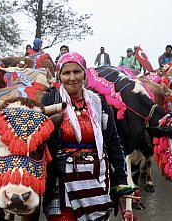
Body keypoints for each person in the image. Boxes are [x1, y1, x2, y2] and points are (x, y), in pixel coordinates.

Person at [42, 52, 131, 221]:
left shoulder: (98, 101)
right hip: (61, 182)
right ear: (59, 76)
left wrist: (121, 178)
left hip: (98, 179)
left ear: (84, 74)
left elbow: (113, 142)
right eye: (66, 73)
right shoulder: (50, 99)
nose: (72, 77)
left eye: (77, 71)